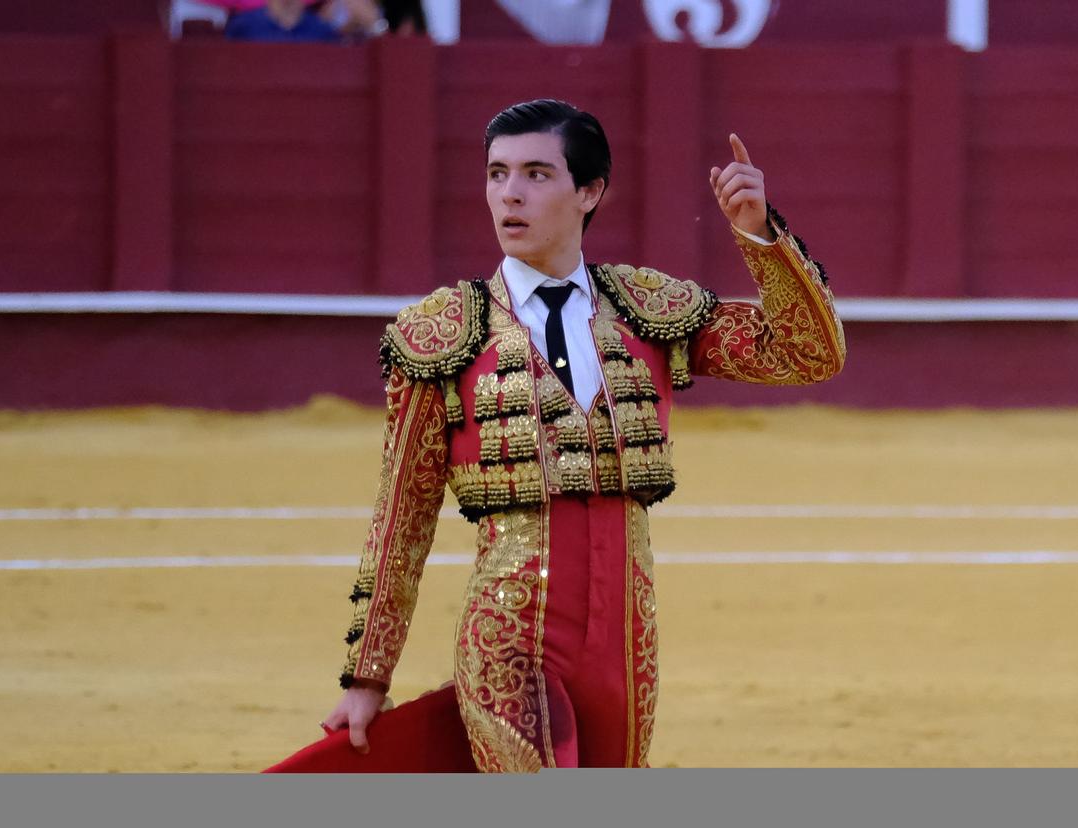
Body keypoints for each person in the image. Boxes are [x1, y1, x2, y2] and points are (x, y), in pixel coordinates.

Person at [276, 99, 845, 772]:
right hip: (508, 636)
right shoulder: (443, 335)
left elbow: (808, 353)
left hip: (626, 645)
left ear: (590, 191)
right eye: (496, 173)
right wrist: (368, 676)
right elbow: (402, 513)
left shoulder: (646, 310)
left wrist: (758, 236)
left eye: (536, 174)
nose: (509, 193)